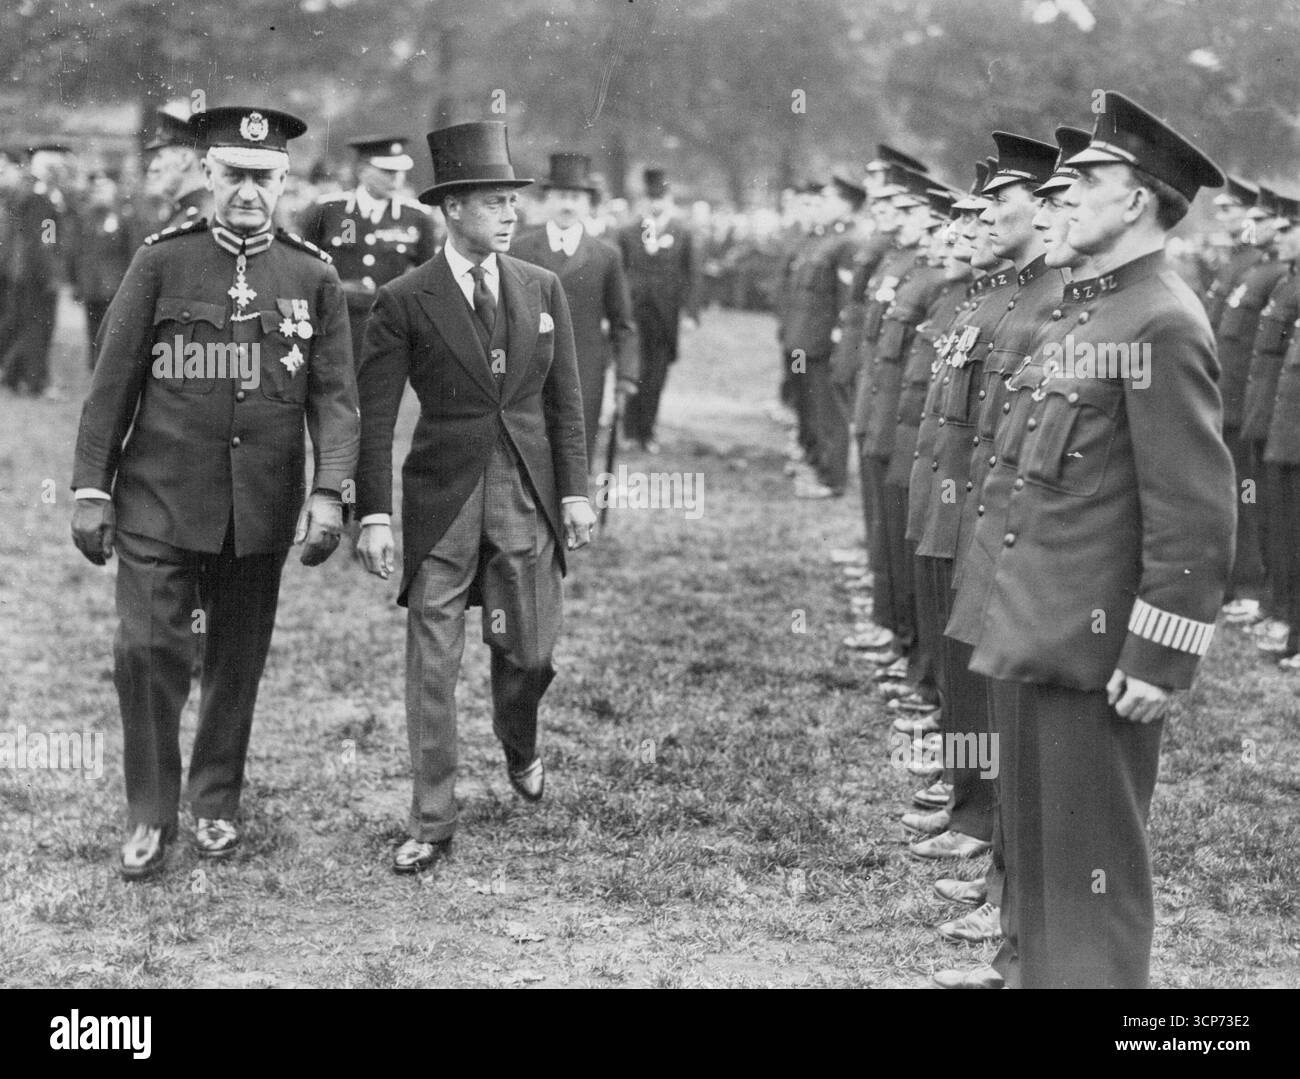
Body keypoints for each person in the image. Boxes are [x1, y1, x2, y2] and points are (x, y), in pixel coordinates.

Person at [944, 91, 1236, 989]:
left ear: (1141, 197)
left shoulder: (1162, 321)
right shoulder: (1089, 311)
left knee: (1090, 882)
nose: (1066, 191)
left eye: (1089, 177)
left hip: (1096, 647)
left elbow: (1194, 509)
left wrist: (1158, 655)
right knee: (1038, 860)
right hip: (1034, 629)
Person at [70, 105, 360, 881]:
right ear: (207, 174)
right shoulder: (162, 261)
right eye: (234, 175)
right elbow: (112, 384)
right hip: (158, 497)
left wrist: (330, 492)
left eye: (264, 178)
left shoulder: (312, 275)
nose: (248, 193)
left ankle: (216, 800)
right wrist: (90, 489)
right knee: (147, 649)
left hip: (259, 504)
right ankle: (150, 812)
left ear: (285, 180)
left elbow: (335, 397)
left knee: (236, 659)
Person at [353, 121, 594, 874]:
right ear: (452, 208)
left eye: (512, 200)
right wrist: (376, 510)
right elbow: (379, 416)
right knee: (432, 660)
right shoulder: (404, 299)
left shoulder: (540, 286)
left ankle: (518, 737)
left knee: (530, 651)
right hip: (441, 498)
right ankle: (432, 818)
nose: (511, 213)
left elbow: (566, 404)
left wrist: (578, 494)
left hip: (525, 493)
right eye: (494, 201)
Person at [510, 151, 638, 465]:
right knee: (528, 454)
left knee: (576, 455)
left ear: (587, 204)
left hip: (586, 370)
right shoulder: (519, 249)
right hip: (528, 371)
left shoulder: (606, 256)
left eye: (576, 198)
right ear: (547, 200)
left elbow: (623, 323)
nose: (568, 205)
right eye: (561, 196)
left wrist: (625, 376)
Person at [297, 135, 438, 366]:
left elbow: (427, 279)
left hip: (387, 331)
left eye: (400, 171)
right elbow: (303, 268)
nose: (397, 179)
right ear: (362, 170)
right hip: (332, 325)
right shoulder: (329, 210)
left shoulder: (417, 218)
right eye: (387, 171)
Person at [617, 167, 699, 453]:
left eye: (661, 197)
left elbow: (692, 274)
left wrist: (691, 313)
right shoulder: (628, 231)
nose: (656, 203)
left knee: (656, 375)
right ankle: (629, 430)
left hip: (666, 315)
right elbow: (620, 272)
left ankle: (647, 431)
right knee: (634, 371)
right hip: (636, 313)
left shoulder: (682, 232)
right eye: (651, 197)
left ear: (669, 198)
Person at [0, 146, 61, 397]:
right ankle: (37, 382)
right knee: (37, 327)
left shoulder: (29, 191)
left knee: (24, 323)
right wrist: (50, 274)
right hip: (34, 272)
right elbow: (46, 238)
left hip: (23, 271)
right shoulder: (40, 195)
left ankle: (14, 375)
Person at [70, 168, 135, 368]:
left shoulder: (123, 217)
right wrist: (75, 282)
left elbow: (130, 250)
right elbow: (75, 250)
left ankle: (107, 365)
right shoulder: (84, 216)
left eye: (105, 188)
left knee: (112, 327)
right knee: (92, 328)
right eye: (97, 189)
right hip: (90, 283)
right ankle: (94, 366)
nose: (101, 193)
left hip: (114, 282)